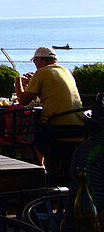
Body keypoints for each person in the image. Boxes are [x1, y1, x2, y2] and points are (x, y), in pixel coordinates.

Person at [17, 46, 86, 178]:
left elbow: (23, 101)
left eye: (35, 61)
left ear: (41, 60)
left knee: (33, 136)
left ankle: (43, 172)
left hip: (58, 126)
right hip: (80, 126)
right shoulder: (66, 71)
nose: (35, 65)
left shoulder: (42, 72)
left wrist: (18, 82)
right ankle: (56, 171)